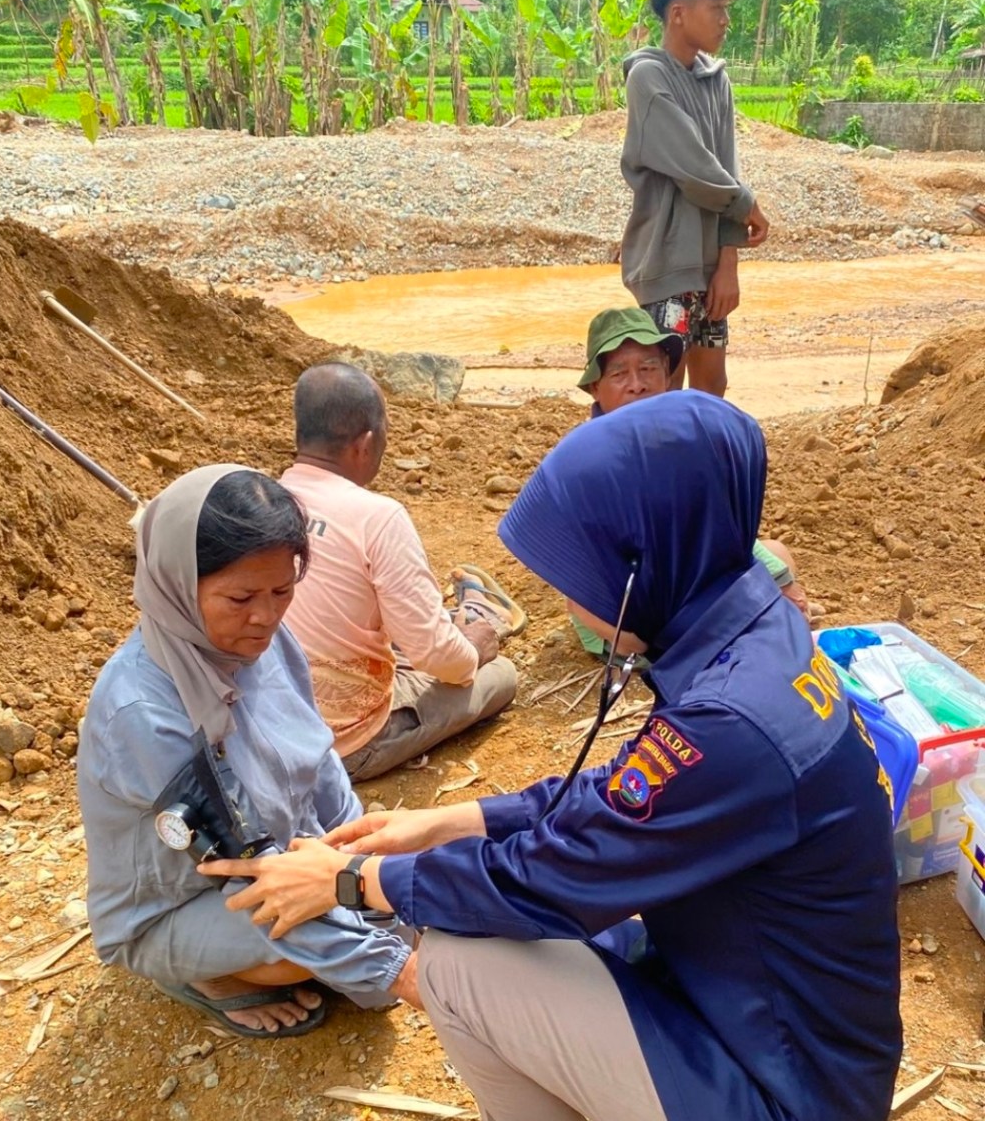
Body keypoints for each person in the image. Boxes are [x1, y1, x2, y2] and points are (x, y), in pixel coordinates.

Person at [199, 394, 902, 1121]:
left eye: (576, 570)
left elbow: (552, 880)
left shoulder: (732, 720)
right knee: (479, 930)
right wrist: (449, 821)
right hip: (750, 1011)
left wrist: (353, 879)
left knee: (456, 961)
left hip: (782, 1087)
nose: (566, 597)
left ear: (640, 560)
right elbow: (629, 796)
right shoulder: (753, 640)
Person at [77, 464, 416, 1039]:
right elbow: (248, 868)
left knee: (392, 908)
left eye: (282, 591)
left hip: (281, 858)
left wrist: (363, 857)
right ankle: (211, 977)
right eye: (239, 597)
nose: (265, 616)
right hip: (188, 903)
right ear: (177, 584)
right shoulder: (143, 714)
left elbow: (320, 762)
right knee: (366, 963)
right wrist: (405, 975)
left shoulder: (263, 641)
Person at [281, 363, 518, 781]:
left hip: (269, 732)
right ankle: (477, 619)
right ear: (367, 443)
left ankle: (459, 621)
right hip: (344, 745)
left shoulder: (263, 500)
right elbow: (439, 658)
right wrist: (476, 650)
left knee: (395, 633)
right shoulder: (377, 517)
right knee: (500, 675)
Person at [577, 305, 809, 629]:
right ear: (595, 388)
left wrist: (780, 580)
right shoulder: (589, 457)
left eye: (648, 369)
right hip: (629, 607)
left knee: (776, 553)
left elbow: (722, 528)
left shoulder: (680, 440)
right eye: (619, 375)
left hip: (686, 577)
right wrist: (779, 587)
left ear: (666, 374)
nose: (637, 384)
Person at [620, 0, 770, 398]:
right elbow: (696, 169)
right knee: (665, 388)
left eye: (727, 8)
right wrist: (748, 205)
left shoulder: (716, 79)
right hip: (667, 263)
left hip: (710, 268)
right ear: (679, 13)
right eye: (717, 7)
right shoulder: (647, 78)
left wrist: (729, 263)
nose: (726, 20)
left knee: (712, 387)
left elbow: (727, 165)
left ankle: (703, 471)